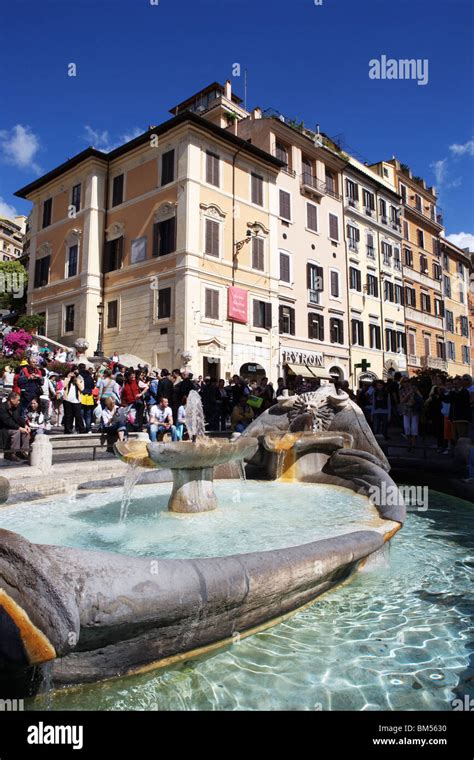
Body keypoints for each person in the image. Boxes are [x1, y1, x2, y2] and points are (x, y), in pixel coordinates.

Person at [0, 391, 31, 462]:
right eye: (18, 400)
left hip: (11, 427)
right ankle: (12, 453)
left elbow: (18, 418)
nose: (19, 402)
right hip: (3, 429)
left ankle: (23, 451)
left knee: (25, 432)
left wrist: (25, 425)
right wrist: (19, 428)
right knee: (17, 432)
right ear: (12, 399)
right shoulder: (2, 407)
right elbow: (7, 421)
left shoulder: (15, 407)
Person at [399, 377, 423, 450]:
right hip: (406, 410)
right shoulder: (401, 390)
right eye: (404, 381)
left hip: (414, 410)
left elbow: (421, 397)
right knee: (407, 427)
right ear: (402, 383)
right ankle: (409, 444)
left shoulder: (414, 388)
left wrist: (416, 392)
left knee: (414, 428)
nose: (406, 383)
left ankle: (413, 445)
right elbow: (402, 401)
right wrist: (409, 394)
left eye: (408, 381)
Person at [62, 369, 86, 434]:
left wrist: (77, 380)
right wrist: (69, 378)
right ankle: (68, 430)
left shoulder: (80, 379)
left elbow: (82, 388)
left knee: (78, 416)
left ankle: (82, 430)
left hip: (77, 400)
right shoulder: (67, 378)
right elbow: (63, 386)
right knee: (68, 416)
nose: (74, 374)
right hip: (67, 400)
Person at [449, 376, 471, 442]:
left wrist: (453, 392)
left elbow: (461, 401)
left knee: (462, 439)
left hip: (462, 418)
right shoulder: (453, 392)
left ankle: (463, 451)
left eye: (456, 384)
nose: (454, 385)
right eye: (453, 384)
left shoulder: (465, 392)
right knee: (454, 438)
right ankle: (456, 451)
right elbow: (448, 400)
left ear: (460, 384)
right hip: (454, 418)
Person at [78, 364, 95, 433]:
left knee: (81, 413)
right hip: (89, 396)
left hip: (81, 395)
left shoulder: (79, 376)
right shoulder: (90, 376)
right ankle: (89, 429)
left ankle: (82, 427)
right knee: (88, 414)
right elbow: (93, 386)